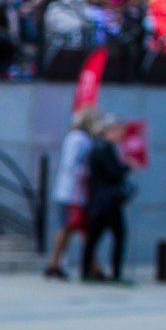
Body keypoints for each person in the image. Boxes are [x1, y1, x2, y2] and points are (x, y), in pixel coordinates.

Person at [41, 107, 99, 279]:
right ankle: (58, 263)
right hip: (73, 193)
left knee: (75, 229)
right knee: (70, 227)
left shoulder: (80, 138)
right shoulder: (78, 138)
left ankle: (58, 263)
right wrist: (89, 172)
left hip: (74, 192)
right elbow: (71, 164)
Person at [81, 115, 134, 283]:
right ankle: (115, 273)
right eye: (119, 130)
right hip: (108, 201)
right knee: (118, 235)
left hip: (99, 201)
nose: (121, 135)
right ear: (109, 131)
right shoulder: (104, 149)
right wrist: (126, 167)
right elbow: (113, 174)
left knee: (94, 237)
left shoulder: (99, 148)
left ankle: (86, 270)